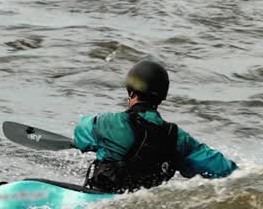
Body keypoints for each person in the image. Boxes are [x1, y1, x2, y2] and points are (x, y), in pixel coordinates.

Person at [73, 60, 237, 193]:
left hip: (102, 200)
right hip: (142, 206)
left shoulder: (109, 122)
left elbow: (81, 134)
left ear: (131, 92)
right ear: (162, 96)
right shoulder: (177, 137)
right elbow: (220, 167)